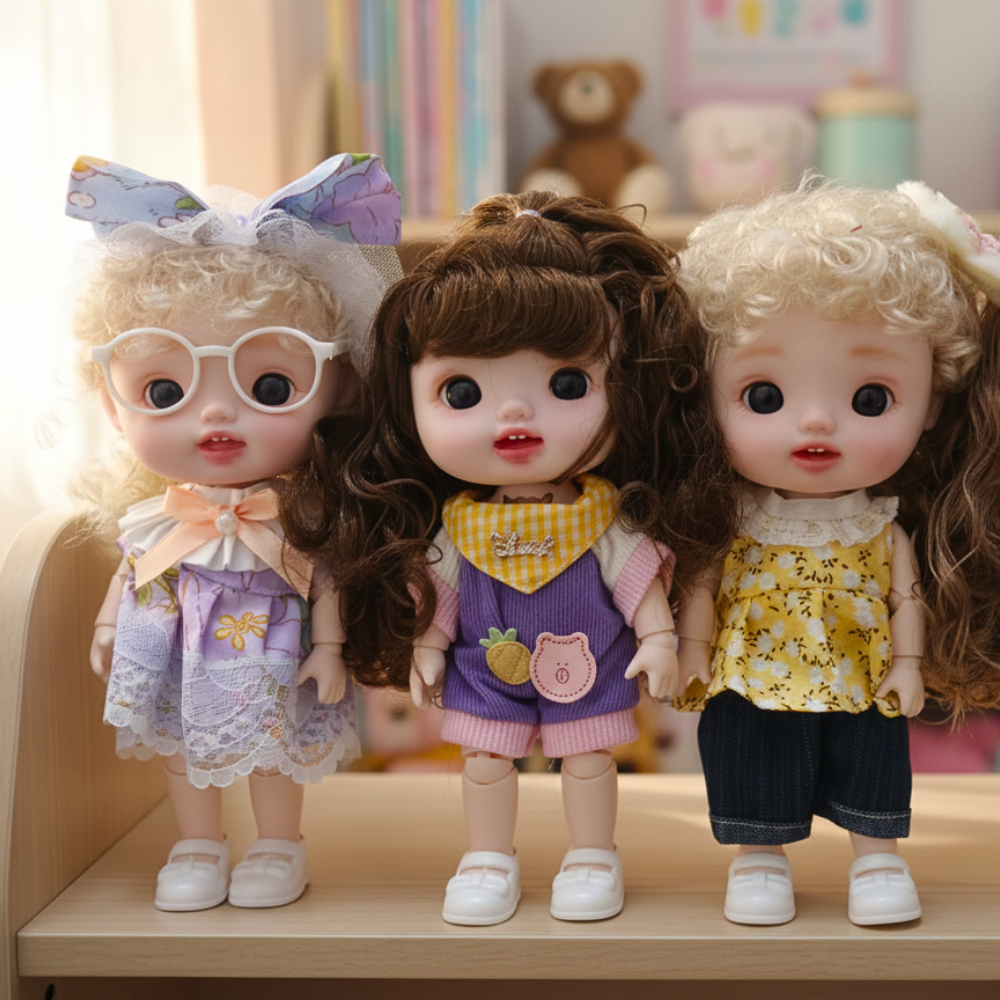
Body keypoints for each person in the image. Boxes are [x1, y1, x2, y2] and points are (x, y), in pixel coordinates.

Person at [280, 191, 733, 925]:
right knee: (485, 762)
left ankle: (593, 855)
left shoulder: (602, 516)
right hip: (483, 668)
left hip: (591, 662)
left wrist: (657, 640)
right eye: (462, 391)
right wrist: (427, 647)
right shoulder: (459, 524)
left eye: (566, 385)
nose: (514, 414)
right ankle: (488, 857)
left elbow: (634, 581)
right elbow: (442, 594)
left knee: (588, 760)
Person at [67, 153, 402, 910]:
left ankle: (278, 844)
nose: (216, 413)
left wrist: (328, 649)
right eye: (165, 389)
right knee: (182, 745)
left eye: (270, 386)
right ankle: (197, 842)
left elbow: (321, 578)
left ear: (339, 387)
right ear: (112, 404)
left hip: (272, 653)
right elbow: (137, 567)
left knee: (271, 745)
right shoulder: (158, 515)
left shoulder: (301, 515)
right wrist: (108, 623)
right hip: (176, 649)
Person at [674, 178, 1000, 926]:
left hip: (861, 669)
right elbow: (702, 585)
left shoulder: (881, 527)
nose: (816, 422)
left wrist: (909, 664)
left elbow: (903, 598)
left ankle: (877, 857)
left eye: (869, 398)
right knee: (750, 755)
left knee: (872, 759)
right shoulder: (734, 522)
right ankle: (759, 857)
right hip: (751, 673)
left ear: (932, 405)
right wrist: (692, 650)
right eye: (764, 396)